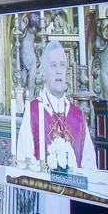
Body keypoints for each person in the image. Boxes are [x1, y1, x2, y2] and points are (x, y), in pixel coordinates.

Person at [15, 41, 96, 174]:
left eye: (62, 65)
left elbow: (90, 167)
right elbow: (24, 163)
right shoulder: (33, 111)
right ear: (44, 71)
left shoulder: (78, 116)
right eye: (53, 65)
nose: (59, 71)